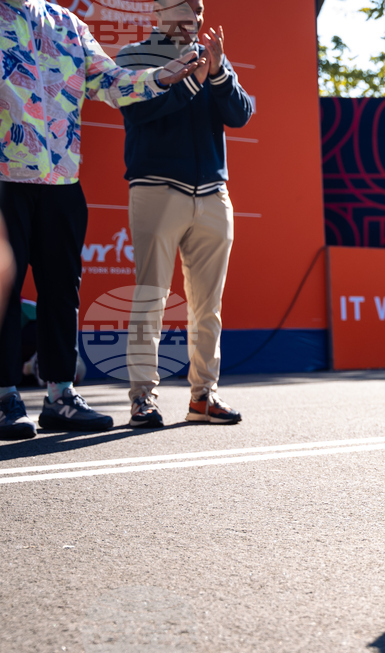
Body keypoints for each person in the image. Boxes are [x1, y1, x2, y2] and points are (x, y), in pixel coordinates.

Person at [0, 0, 202, 440]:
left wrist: (163, 76)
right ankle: (3, 396)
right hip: (3, 177)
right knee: (4, 289)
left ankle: (59, 396)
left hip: (62, 178)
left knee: (60, 289)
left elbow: (109, 81)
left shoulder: (66, 23)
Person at [115, 0, 253, 427]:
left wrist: (217, 73)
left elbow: (242, 114)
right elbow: (139, 110)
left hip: (213, 193)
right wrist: (189, 82)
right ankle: (142, 397)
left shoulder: (214, 59)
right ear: (159, 13)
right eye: (181, 5)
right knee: (149, 297)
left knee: (208, 305)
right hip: (157, 189)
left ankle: (204, 395)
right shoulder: (134, 56)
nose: (192, 12)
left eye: (197, 7)